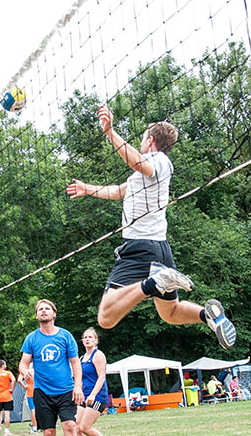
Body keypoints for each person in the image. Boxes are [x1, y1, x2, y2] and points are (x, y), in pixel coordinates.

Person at [66, 105, 238, 349]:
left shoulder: (159, 161)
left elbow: (138, 162)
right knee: (170, 313)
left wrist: (110, 132)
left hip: (140, 247)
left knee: (105, 318)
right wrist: (88, 188)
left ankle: (153, 282)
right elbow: (118, 191)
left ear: (150, 140)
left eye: (143, 138)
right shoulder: (146, 174)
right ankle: (209, 316)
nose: (141, 142)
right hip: (159, 249)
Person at [18, 299, 85, 436]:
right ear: (36, 315)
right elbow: (23, 363)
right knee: (48, 433)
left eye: (47, 308)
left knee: (69, 426)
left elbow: (75, 363)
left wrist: (78, 386)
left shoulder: (65, 336)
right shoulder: (32, 338)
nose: (43, 311)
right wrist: (25, 371)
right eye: (40, 309)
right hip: (42, 392)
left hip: (66, 390)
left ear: (54, 313)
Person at [75, 327, 115, 436]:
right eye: (85, 337)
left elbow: (101, 377)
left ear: (96, 340)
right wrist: (78, 391)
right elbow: (80, 378)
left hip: (97, 396)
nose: (87, 339)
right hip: (84, 396)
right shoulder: (81, 358)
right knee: (76, 426)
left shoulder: (98, 355)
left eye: (90, 337)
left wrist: (92, 395)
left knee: (85, 427)